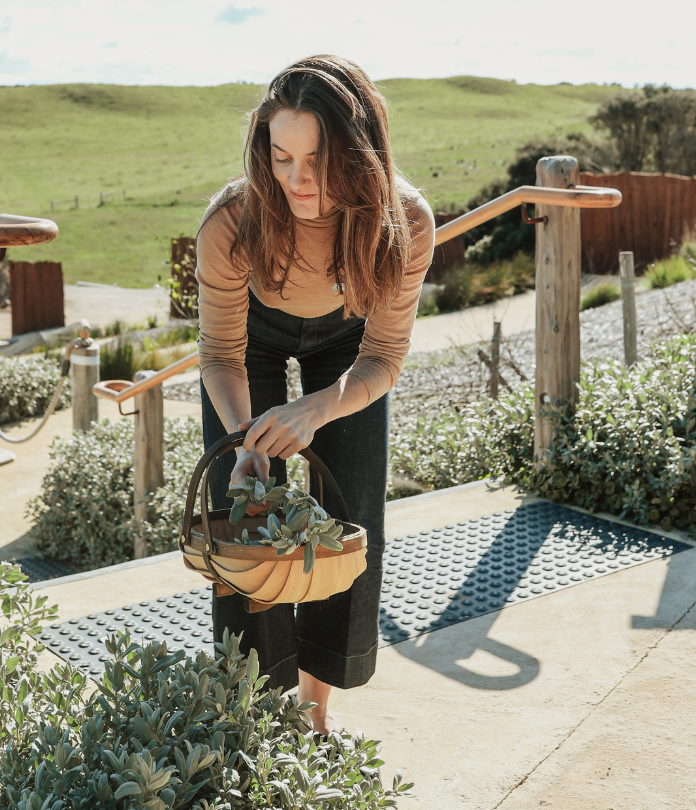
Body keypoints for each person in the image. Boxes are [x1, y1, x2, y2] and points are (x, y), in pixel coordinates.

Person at [196, 54, 435, 735]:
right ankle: (259, 710)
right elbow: (219, 354)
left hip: (347, 341)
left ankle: (313, 709)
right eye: (281, 158)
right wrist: (246, 442)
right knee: (244, 512)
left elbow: (384, 355)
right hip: (253, 343)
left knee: (351, 512)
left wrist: (321, 405)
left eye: (317, 160)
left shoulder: (405, 221)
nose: (298, 181)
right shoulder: (232, 222)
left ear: (359, 154)